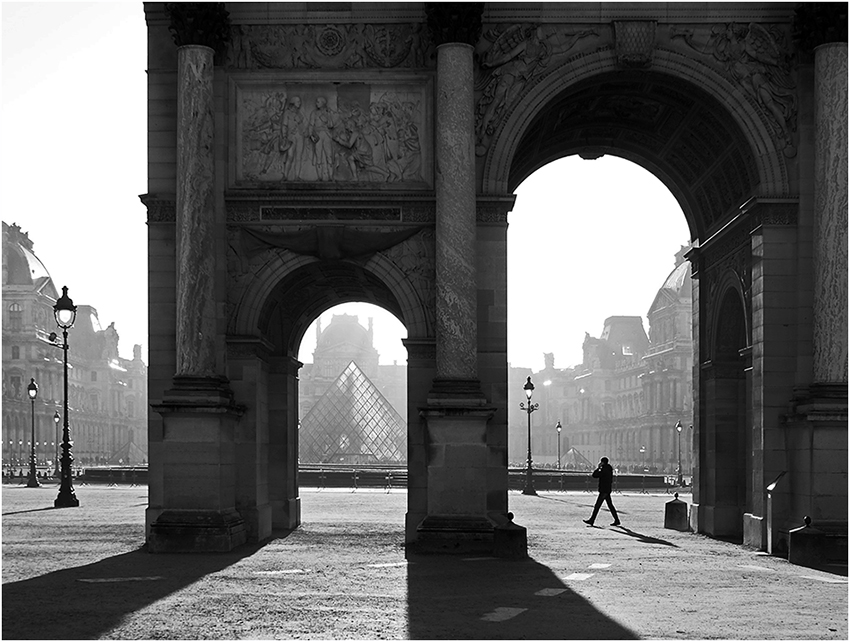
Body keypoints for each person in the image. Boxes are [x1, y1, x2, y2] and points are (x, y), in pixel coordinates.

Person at [583, 457, 621, 527]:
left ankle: (592, 520)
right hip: (607, 489)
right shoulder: (609, 469)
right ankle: (617, 520)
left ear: (602, 462)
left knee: (597, 506)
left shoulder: (603, 469)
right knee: (610, 506)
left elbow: (594, 475)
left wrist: (598, 467)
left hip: (603, 490)